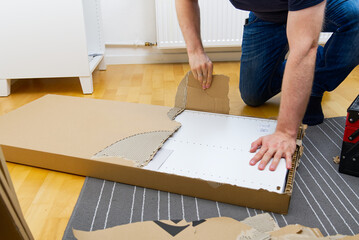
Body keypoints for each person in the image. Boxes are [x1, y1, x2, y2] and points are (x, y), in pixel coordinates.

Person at [175, 0, 359, 171]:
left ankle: (315, 81)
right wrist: (195, 51)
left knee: (355, 17)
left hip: (317, 7)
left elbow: (304, 49)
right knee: (253, 95)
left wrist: (285, 132)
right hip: (267, 17)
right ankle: (308, 67)